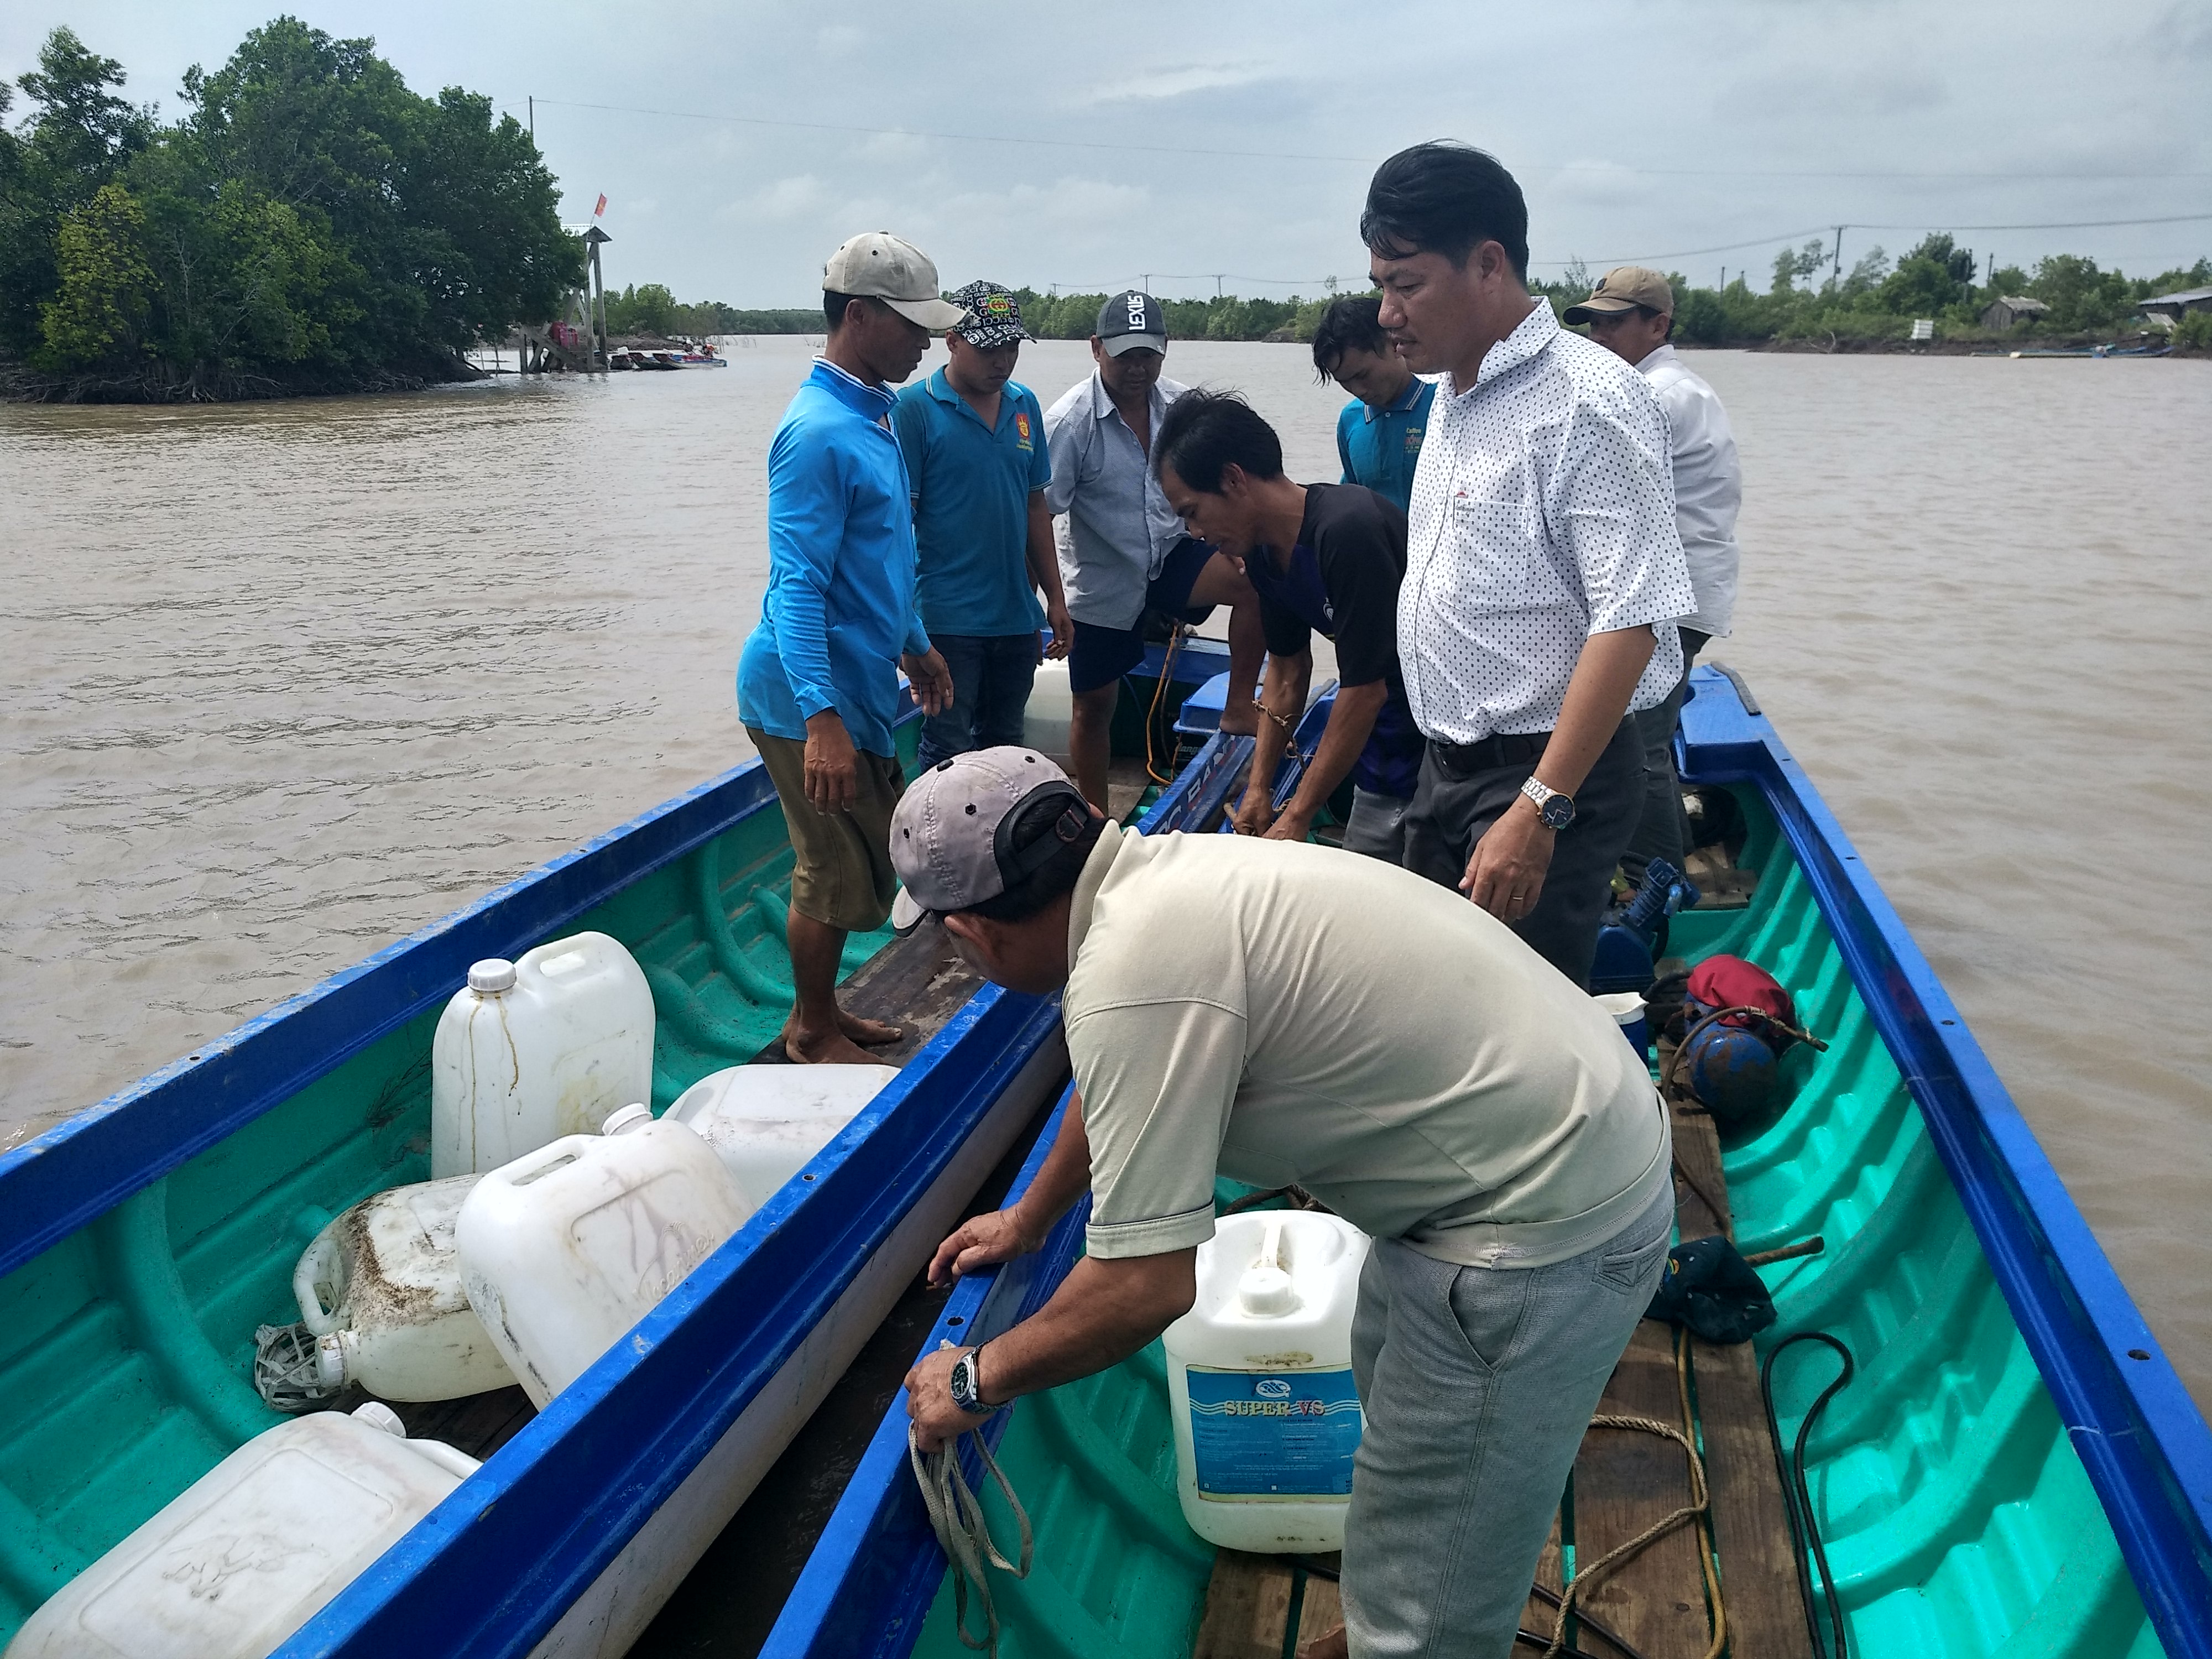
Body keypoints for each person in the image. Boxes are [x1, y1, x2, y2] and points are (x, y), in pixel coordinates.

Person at [889, 749, 1672, 1659]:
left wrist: (975, 1379)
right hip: (1539, 1154)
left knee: (1441, 1556)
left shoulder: (1134, 974)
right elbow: (1118, 1094)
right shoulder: (1162, 879)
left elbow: (1144, 1290)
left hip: (1540, 1226)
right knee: (1400, 1434)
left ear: (976, 931)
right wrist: (1030, 1218)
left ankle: (1416, 1633)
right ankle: (1399, 1610)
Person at [1366, 142, 1697, 988]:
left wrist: (1540, 810)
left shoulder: (1590, 402)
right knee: (1431, 991)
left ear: (1488, 265)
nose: (1387, 313)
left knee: (1510, 1020)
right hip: (1451, 763)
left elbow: (1630, 621)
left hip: (1541, 776)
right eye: (1381, 286)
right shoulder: (1453, 390)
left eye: (1406, 284)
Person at [735, 231, 957, 1065]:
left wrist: (916, 646)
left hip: (853, 680)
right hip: (802, 691)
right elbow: (797, 586)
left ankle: (822, 1012)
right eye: (912, 326)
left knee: (858, 861)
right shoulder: (817, 432)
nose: (926, 342)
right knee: (829, 867)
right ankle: (812, 1030)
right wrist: (820, 717)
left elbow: (878, 559)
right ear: (859, 317)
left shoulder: (876, 416)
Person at [1151, 389, 1425, 859]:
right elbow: (1286, 672)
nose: (1195, 534)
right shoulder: (1260, 553)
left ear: (1233, 479)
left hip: (1438, 757)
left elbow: (1364, 691)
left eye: (1192, 513)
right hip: (1380, 753)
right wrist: (1260, 789)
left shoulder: (1346, 531)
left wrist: (1297, 816)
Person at [1043, 290, 1265, 814]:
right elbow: (1039, 513)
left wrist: (1236, 542)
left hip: (1173, 553)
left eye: (1149, 354)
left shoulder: (1185, 409)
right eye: (1125, 355)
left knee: (1256, 583)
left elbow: (1228, 485)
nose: (1138, 368)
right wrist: (1050, 598)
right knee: (1093, 706)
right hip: (1104, 575)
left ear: (1166, 349)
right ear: (1096, 348)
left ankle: (1238, 705)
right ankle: (1095, 818)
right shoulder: (1069, 422)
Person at [1564, 266, 1743, 889]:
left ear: (1658, 324)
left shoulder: (1654, 396)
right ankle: (1663, 857)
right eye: (1594, 322)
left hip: (1666, 598)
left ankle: (1657, 886)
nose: (1600, 333)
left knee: (1634, 747)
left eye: (1615, 321)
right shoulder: (1670, 388)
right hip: (1680, 591)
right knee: (1642, 742)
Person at [893, 281, 1073, 769]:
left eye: (1011, 348)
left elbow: (1036, 506)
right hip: (947, 621)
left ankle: (999, 846)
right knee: (947, 749)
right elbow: (897, 527)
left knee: (1006, 746)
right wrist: (908, 633)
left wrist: (1055, 599)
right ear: (952, 340)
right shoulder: (913, 410)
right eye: (990, 348)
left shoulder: (1024, 405)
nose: (1003, 361)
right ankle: (938, 845)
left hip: (1015, 616)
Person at [1311, 294, 1436, 514]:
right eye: (1345, 382)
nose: (1358, 391)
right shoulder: (1351, 420)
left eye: (1363, 375)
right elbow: (1353, 499)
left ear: (1393, 344)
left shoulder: (1441, 404)